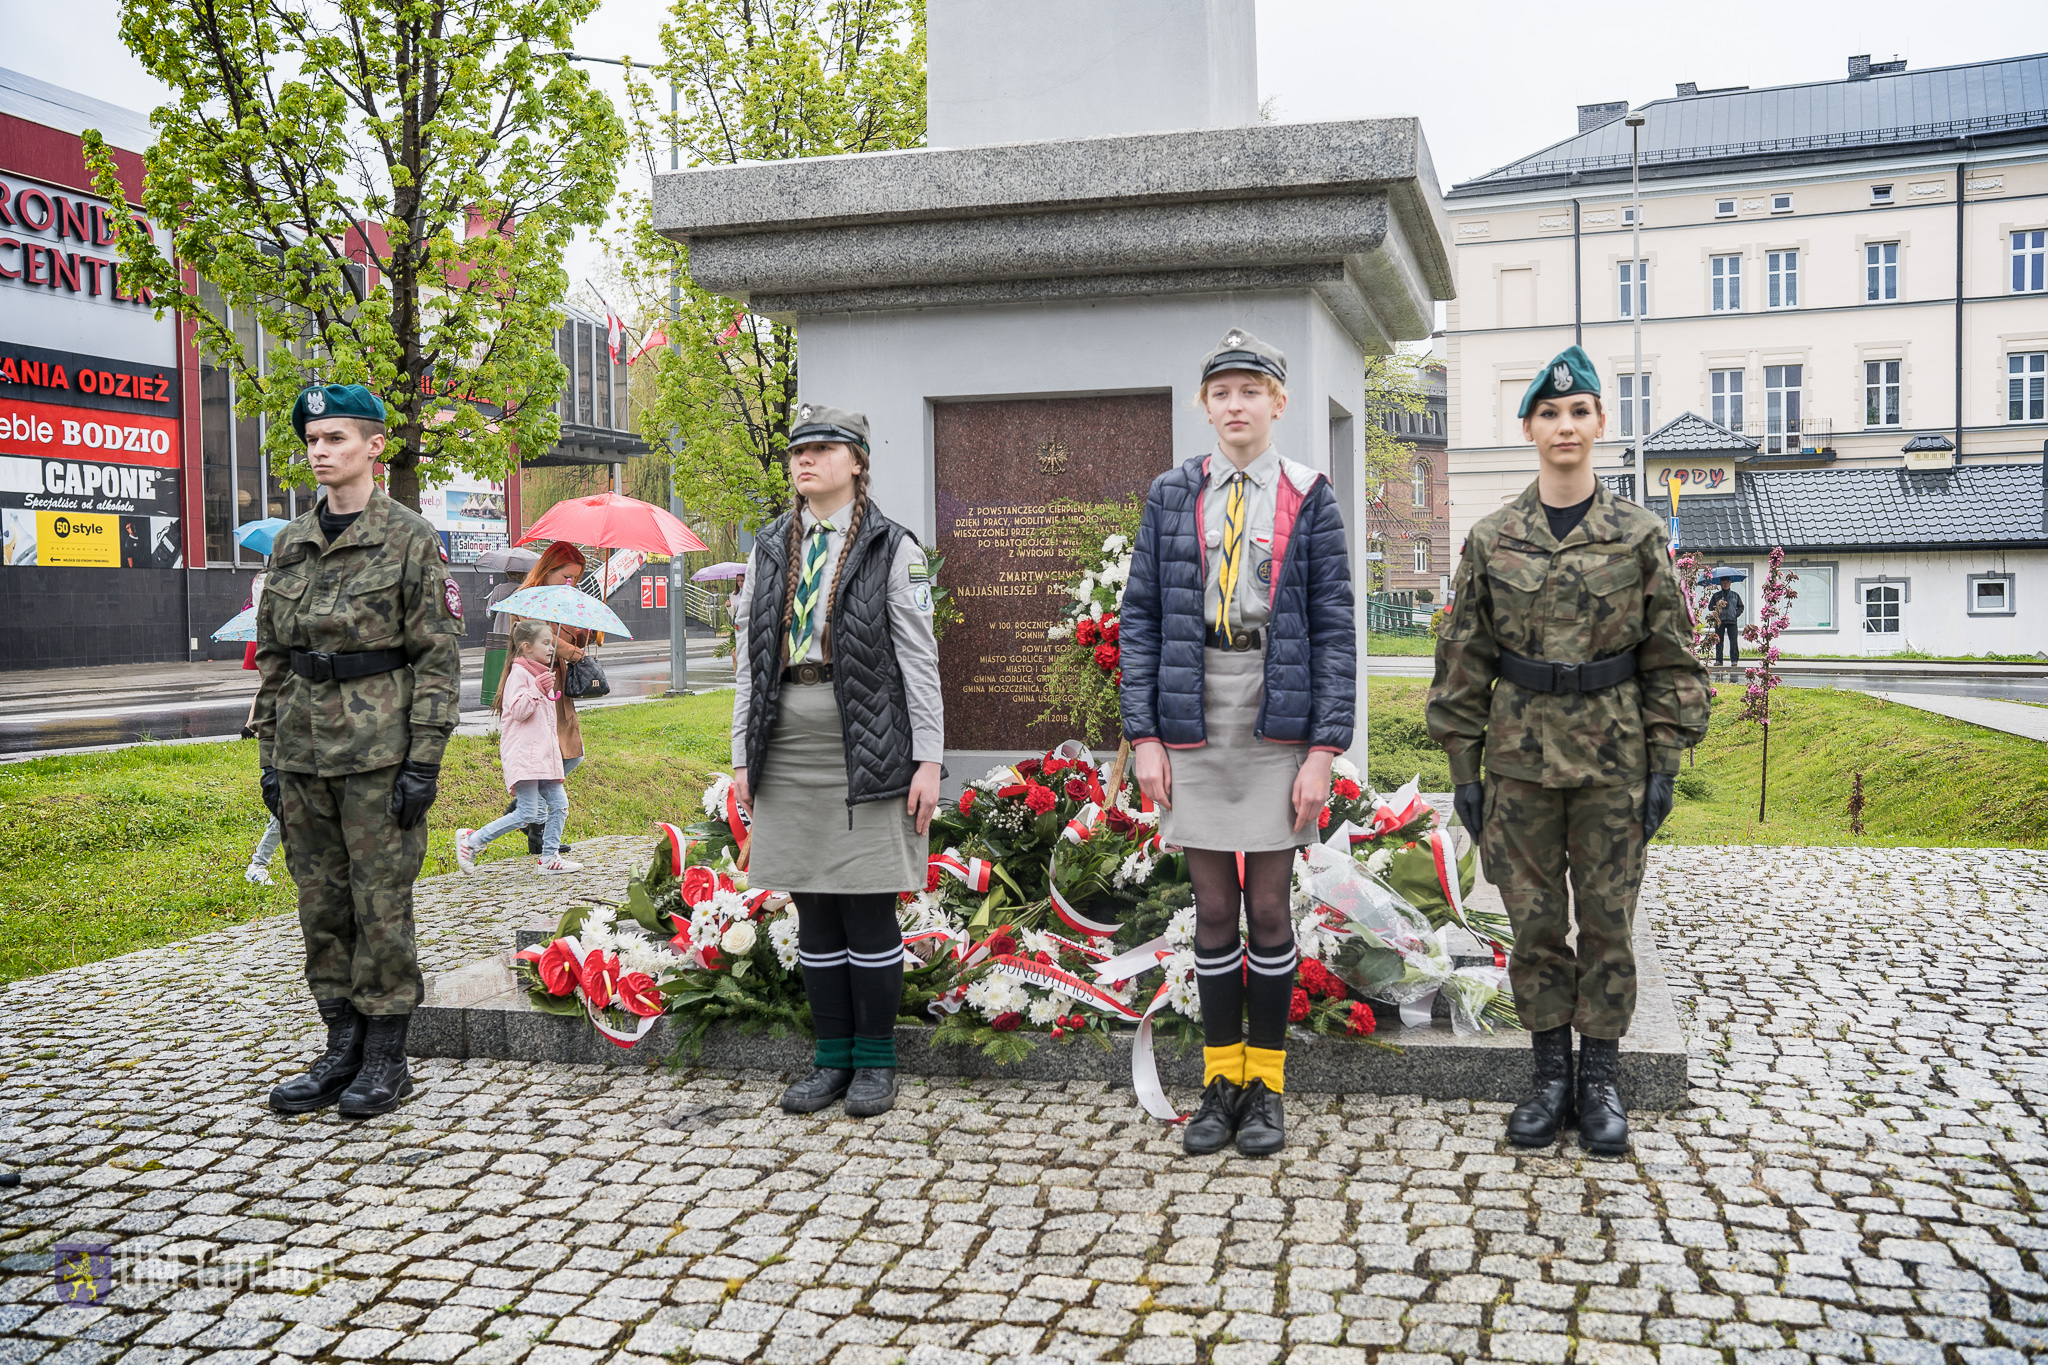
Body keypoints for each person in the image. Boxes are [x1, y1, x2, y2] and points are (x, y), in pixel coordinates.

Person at [1426, 345, 1710, 1157]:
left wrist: (1666, 765)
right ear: (1529, 427)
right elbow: (1464, 659)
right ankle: (1549, 1074)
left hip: (1613, 762)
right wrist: (1462, 772)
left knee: (1609, 922)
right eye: (1549, 413)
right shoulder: (1491, 538)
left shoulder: (1640, 534)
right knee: (1536, 921)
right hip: (1517, 763)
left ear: (1600, 423)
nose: (1564, 425)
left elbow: (1672, 657)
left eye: (1578, 410)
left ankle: (1603, 1078)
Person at [1120, 329, 1356, 1159]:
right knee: (1215, 907)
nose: (1236, 404)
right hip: (1194, 709)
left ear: (1278, 402)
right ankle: (1219, 1085)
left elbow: (1334, 628)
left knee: (1266, 906)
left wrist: (1323, 750)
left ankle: (1269, 1089)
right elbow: (1141, 618)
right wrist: (1144, 735)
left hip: (1275, 713)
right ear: (1204, 405)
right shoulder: (1171, 494)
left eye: (1251, 389)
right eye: (1221, 391)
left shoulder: (1309, 493)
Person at [254, 382, 462, 1119]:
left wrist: (425, 759)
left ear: (375, 446)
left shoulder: (409, 536)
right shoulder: (289, 543)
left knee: (381, 907)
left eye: (335, 438)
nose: (320, 451)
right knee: (322, 906)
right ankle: (340, 1046)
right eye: (312, 440)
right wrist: (270, 754)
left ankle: (386, 1058)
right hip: (305, 751)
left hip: (379, 751)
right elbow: (274, 654)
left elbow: (437, 655)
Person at [730, 403, 943, 1120]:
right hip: (787, 740)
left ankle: (876, 1064)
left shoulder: (892, 546)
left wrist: (929, 758)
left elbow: (919, 659)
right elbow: (748, 665)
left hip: (867, 741)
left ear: (857, 462)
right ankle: (831, 1058)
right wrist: (740, 759)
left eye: (824, 448)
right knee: (813, 904)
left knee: (868, 902)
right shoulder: (769, 548)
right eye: (798, 450)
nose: (806, 459)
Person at [456, 620, 580, 873]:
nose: (551, 648)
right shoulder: (520, 675)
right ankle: (471, 841)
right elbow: (520, 711)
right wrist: (536, 690)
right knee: (526, 812)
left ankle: (549, 858)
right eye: (545, 643)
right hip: (526, 756)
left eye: (552, 642)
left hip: (542, 757)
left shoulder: (537, 674)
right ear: (526, 647)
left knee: (559, 805)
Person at [512, 541, 592, 854]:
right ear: (548, 570)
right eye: (566, 576)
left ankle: (527, 816)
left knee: (571, 755)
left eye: (576, 578)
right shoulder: (525, 600)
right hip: (533, 685)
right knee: (553, 758)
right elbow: (540, 639)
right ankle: (532, 822)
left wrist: (584, 628)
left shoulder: (564, 599)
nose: (571, 583)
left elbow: (566, 636)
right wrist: (574, 651)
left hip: (558, 688)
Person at [1707, 575, 1744, 666]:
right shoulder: (1716, 595)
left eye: (1727, 582)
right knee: (1718, 641)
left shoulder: (1735, 595)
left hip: (1732, 621)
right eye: (1723, 582)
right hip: (1719, 621)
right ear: (1720, 583)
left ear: (1730, 583)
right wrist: (1717, 606)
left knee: (1733, 641)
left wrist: (1735, 614)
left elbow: (1741, 607)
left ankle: (1734, 660)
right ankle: (1719, 660)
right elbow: (1710, 607)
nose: (1725, 584)